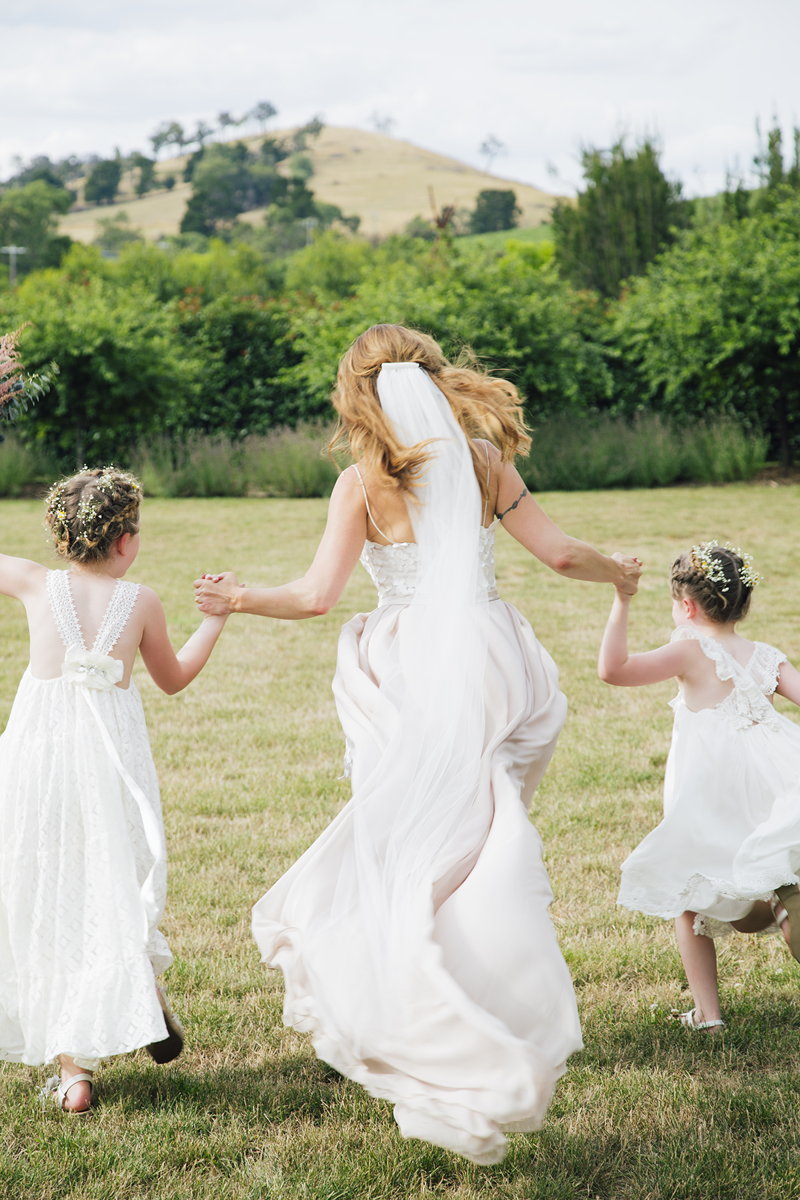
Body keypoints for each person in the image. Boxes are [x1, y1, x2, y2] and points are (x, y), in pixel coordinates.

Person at [195, 323, 641, 1163]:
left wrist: (242, 598)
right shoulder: (483, 462)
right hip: (489, 661)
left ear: (355, 393)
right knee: (480, 831)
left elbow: (318, 595)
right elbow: (556, 553)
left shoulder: (359, 484)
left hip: (398, 669)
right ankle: (471, 985)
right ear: (433, 380)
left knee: (407, 837)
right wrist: (614, 571)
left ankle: (410, 992)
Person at [0, 467, 228, 1113]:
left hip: (39, 770)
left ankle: (74, 1075)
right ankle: (144, 990)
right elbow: (175, 676)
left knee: (53, 891)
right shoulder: (143, 602)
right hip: (112, 767)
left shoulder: (33, 584)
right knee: (113, 878)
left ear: (59, 534)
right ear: (125, 540)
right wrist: (215, 618)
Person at [598, 542, 800, 1034]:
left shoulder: (691, 649)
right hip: (779, 772)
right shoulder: (766, 656)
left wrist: (622, 599)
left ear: (687, 607)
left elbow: (613, 670)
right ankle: (778, 906)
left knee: (689, 889)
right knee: (786, 876)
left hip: (716, 785)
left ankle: (709, 1016)